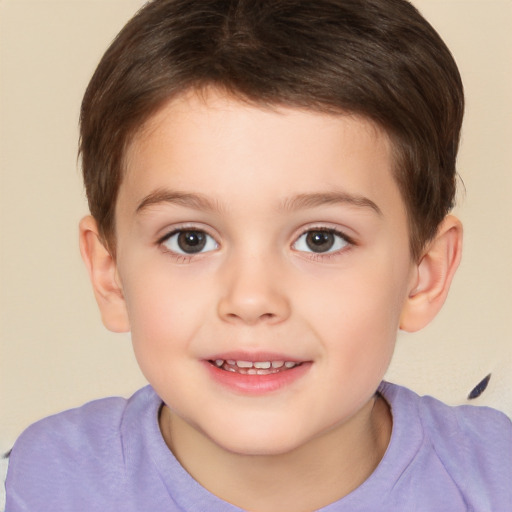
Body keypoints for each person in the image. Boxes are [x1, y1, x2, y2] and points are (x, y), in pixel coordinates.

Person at [5, 0, 511, 510]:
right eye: (190, 239)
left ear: (424, 275)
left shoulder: (496, 479)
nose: (251, 299)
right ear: (110, 274)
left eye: (320, 239)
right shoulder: (44, 483)